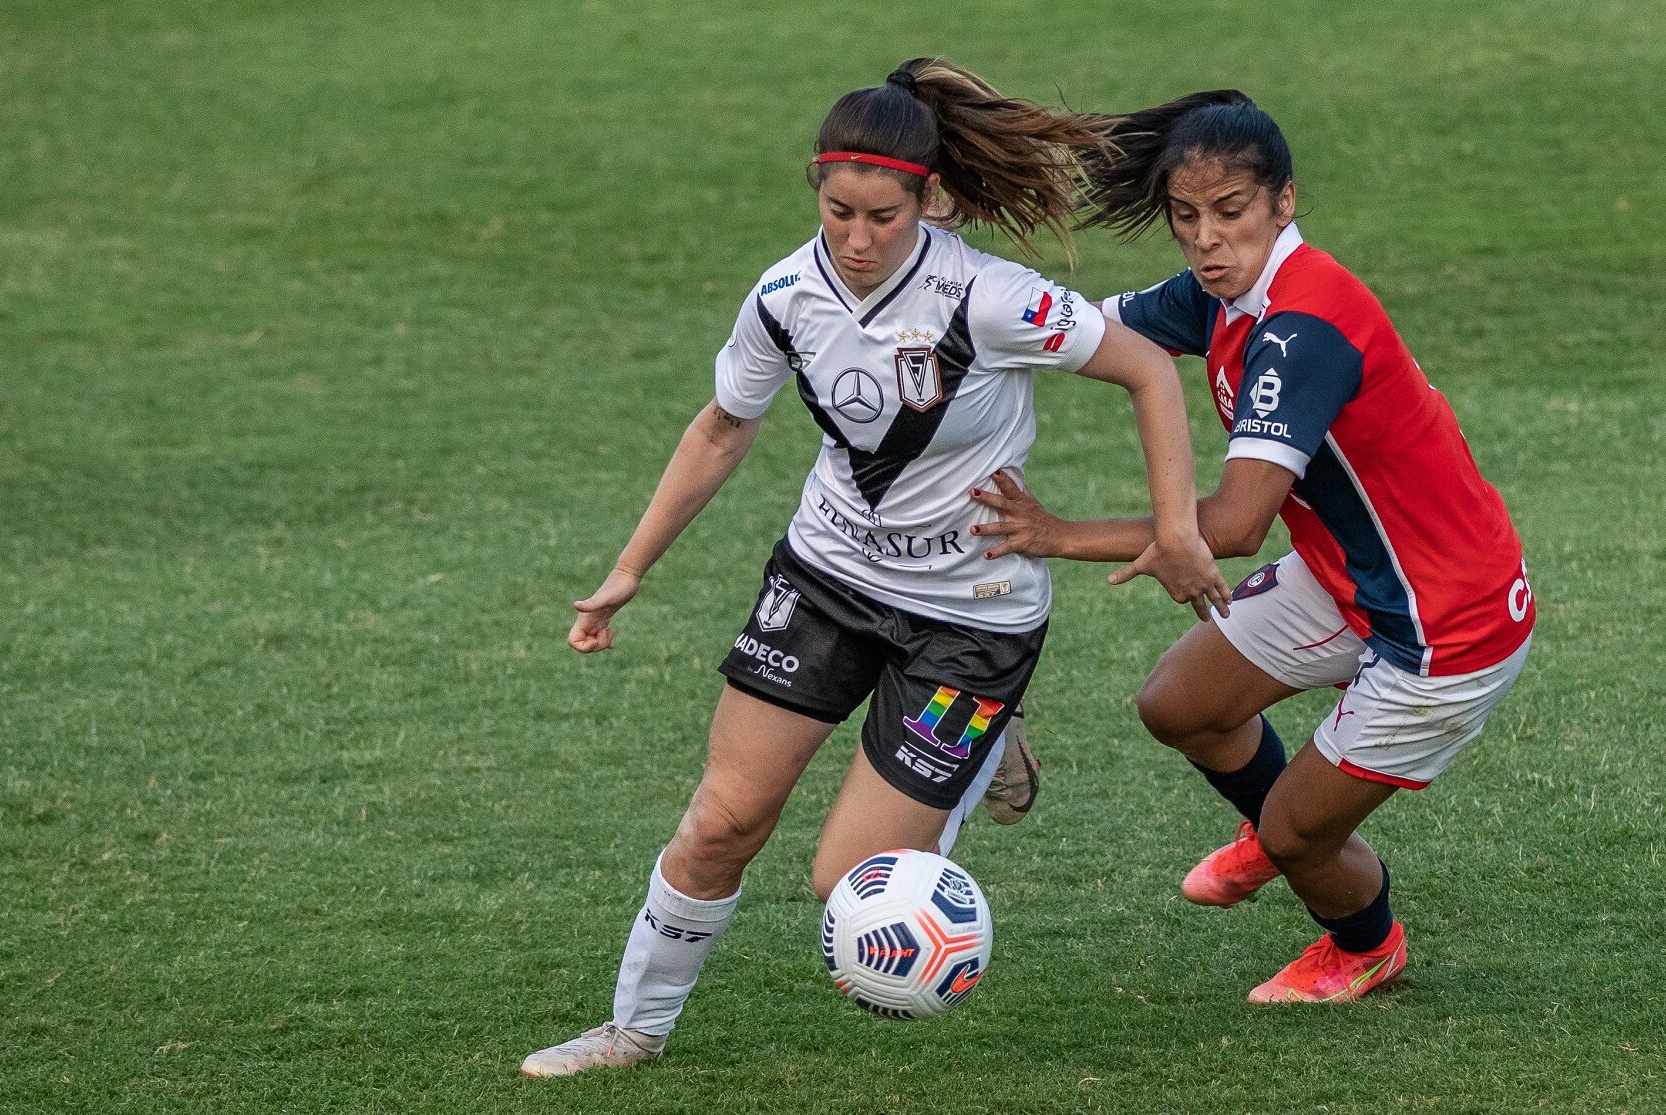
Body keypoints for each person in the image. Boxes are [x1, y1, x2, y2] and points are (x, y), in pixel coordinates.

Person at [519, 60, 1228, 1077]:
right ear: (816, 184)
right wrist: (631, 568)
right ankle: (632, 1028)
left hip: (971, 619)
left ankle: (988, 741)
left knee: (847, 880)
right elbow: (722, 429)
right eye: (838, 209)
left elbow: (1146, 367)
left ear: (928, 199)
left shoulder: (988, 299)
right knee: (722, 819)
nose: (856, 238)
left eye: (883, 216)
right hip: (825, 579)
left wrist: (1174, 529)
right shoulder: (784, 296)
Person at [970, 90, 1534, 1004]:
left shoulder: (1302, 330)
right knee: (1179, 704)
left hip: (1447, 627)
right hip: (1358, 576)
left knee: (1300, 832)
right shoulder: (1221, 294)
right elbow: (1077, 325)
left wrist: (1054, 533)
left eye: (1230, 213)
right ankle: (1281, 829)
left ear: (1284, 204)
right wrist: (957, 311)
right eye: (1185, 218)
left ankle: (1362, 939)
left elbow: (1230, 528)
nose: (1204, 239)